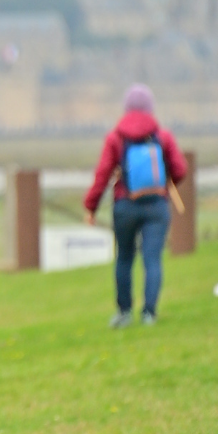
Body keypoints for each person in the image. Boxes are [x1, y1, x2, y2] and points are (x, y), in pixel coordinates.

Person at [84, 83, 187, 327]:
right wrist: (165, 180)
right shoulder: (163, 137)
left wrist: (91, 207)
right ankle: (149, 313)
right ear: (151, 108)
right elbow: (181, 169)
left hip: (125, 206)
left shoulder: (115, 138)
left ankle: (124, 312)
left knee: (124, 258)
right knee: (152, 259)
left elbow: (102, 175)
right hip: (157, 205)